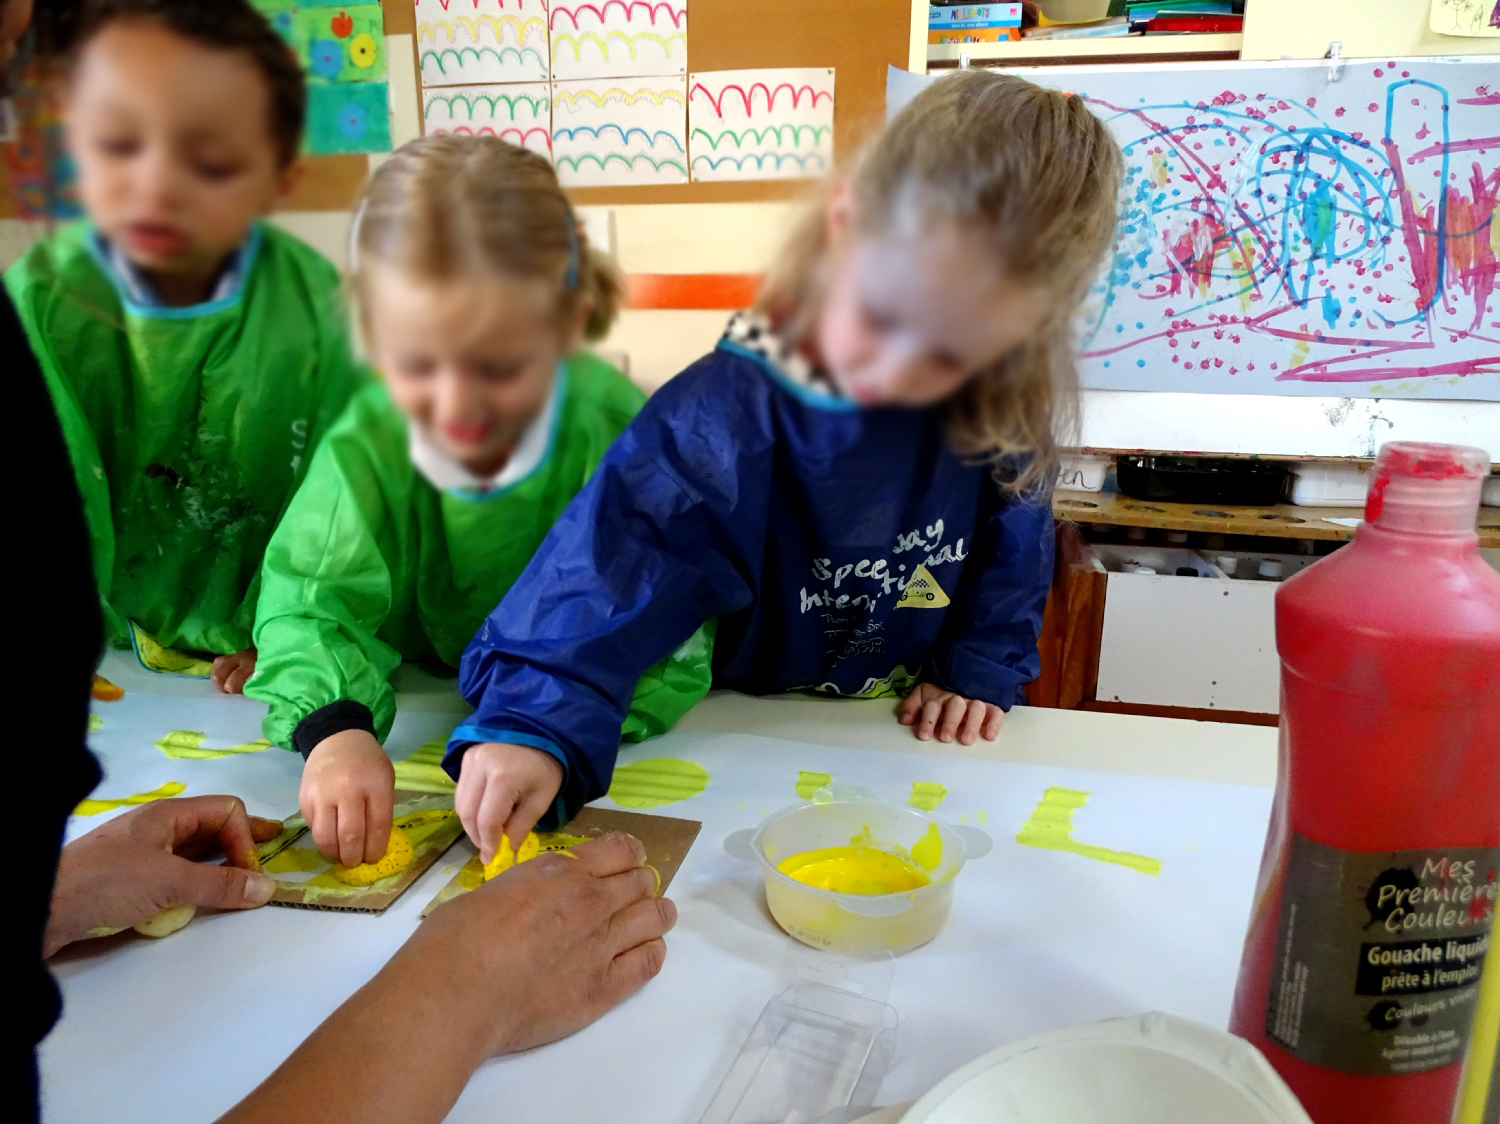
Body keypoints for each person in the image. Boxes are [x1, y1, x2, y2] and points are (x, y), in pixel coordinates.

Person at [447, 71, 1124, 862]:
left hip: (897, 729)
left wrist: (977, 669)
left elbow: (1015, 551)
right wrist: (538, 719)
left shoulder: (1005, 398)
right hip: (739, 726)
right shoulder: (735, 400)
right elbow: (616, 559)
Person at [244, 135, 713, 868]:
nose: (458, 403)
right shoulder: (371, 437)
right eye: (416, 363)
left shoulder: (616, 429)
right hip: (424, 696)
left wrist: (546, 724)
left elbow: (670, 635)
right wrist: (335, 729)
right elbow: (306, 600)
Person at [3, 0, 366, 695]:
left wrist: (294, 635)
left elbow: (342, 509)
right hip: (97, 658)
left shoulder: (316, 309)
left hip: (265, 659)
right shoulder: (39, 302)